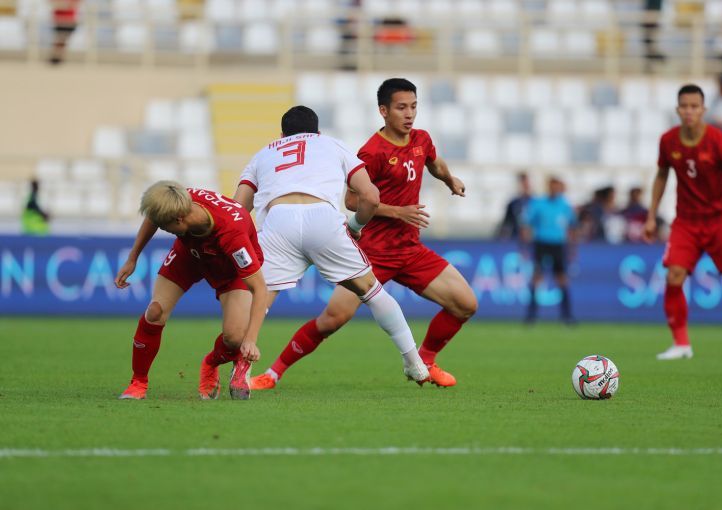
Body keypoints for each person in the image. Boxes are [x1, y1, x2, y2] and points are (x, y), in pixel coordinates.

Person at [247, 78, 477, 390]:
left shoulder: (421, 139)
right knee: (332, 319)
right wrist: (398, 212)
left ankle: (426, 359)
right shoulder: (372, 151)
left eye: (413, 106)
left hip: (410, 249)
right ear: (384, 111)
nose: (409, 114)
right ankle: (273, 374)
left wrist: (450, 180)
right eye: (401, 108)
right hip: (373, 252)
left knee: (465, 303)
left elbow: (434, 163)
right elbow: (353, 201)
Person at [234, 105, 430, 384]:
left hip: (278, 221)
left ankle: (241, 370)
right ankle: (414, 363)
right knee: (372, 292)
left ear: (282, 135)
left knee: (259, 298)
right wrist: (355, 227)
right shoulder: (331, 144)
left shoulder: (263, 154)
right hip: (322, 219)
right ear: (317, 132)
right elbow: (370, 197)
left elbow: (238, 210)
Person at [114, 182, 268, 400]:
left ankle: (211, 363)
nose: (164, 230)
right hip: (190, 254)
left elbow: (260, 289)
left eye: (166, 227)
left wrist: (250, 340)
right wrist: (133, 258)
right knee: (155, 312)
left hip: (231, 267)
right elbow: (154, 217)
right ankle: (138, 383)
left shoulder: (232, 233)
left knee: (235, 338)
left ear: (179, 219)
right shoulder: (176, 202)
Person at [644, 84, 722, 360]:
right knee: (674, 275)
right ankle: (681, 344)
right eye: (684, 106)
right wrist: (651, 215)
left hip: (721, 220)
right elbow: (661, 175)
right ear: (677, 110)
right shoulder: (668, 141)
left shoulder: (718, 140)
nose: (689, 111)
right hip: (686, 222)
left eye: (694, 106)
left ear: (703, 110)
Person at [521, 176, 577, 324]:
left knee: (562, 279)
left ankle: (567, 315)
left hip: (558, 244)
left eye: (557, 186)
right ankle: (531, 315)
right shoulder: (539, 203)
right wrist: (525, 244)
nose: (555, 189)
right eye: (553, 186)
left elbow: (572, 227)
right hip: (541, 243)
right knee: (536, 278)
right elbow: (527, 223)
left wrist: (572, 248)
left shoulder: (564, 205)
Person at [495, 172, 532, 240]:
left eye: (526, 183)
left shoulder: (536, 202)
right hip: (516, 239)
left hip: (533, 239)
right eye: (523, 183)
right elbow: (507, 223)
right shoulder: (513, 204)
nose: (525, 186)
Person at [50, 0, 81, 65]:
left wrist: (63, 5)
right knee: (60, 39)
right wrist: (64, 5)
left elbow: (75, 4)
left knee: (63, 39)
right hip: (59, 20)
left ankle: (58, 57)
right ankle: (57, 57)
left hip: (69, 20)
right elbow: (54, 4)